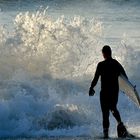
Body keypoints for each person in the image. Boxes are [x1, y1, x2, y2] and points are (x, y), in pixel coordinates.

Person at [89, 45, 128, 138]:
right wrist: (126, 90)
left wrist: (91, 87)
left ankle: (106, 134)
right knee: (113, 108)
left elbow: (95, 78)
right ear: (110, 53)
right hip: (114, 91)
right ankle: (120, 123)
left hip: (104, 92)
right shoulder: (116, 64)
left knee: (105, 114)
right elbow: (125, 78)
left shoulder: (101, 65)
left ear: (104, 53)